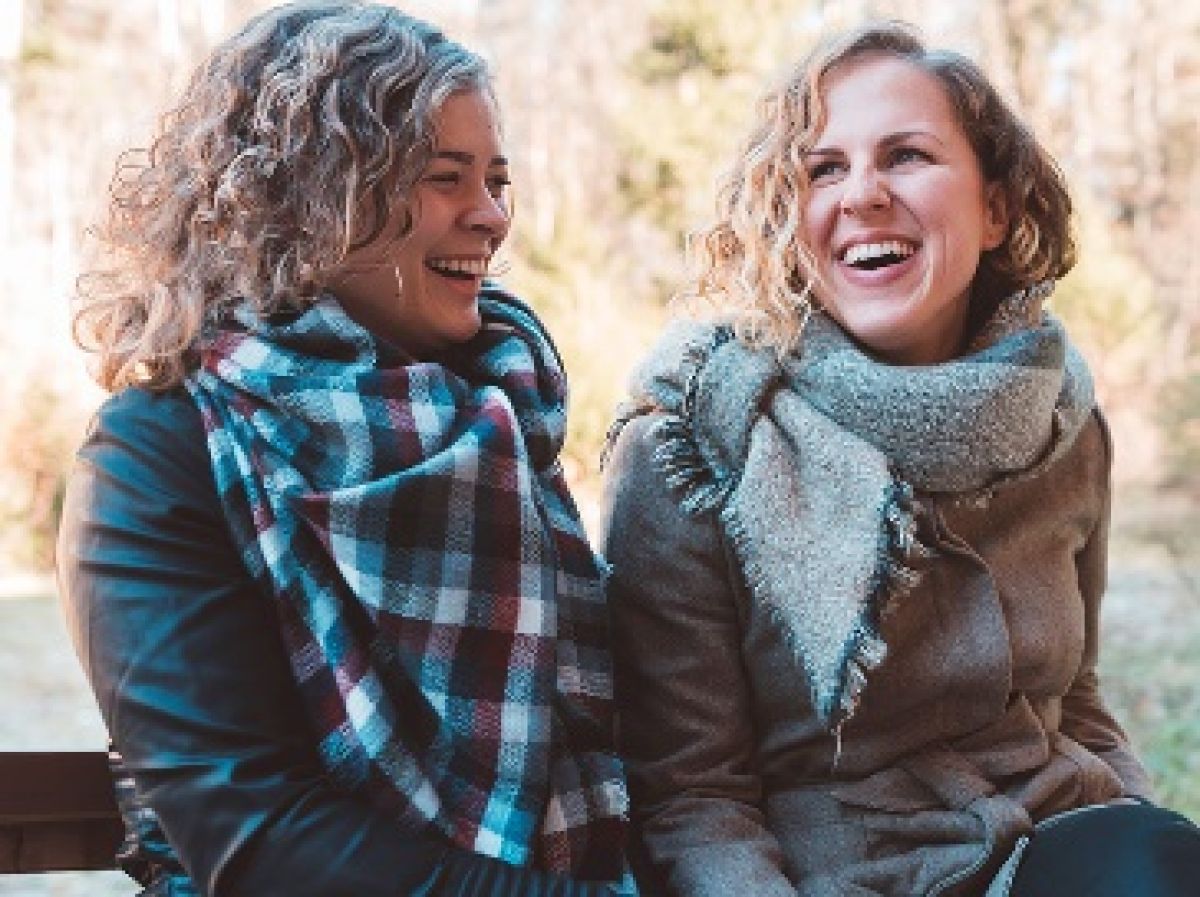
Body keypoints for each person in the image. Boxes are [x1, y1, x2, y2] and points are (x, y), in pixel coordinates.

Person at [600, 21, 1200, 897]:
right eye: (824, 169)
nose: (863, 195)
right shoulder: (694, 447)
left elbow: (1077, 698)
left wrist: (1147, 831)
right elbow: (694, 798)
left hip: (1058, 850)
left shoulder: (1063, 420)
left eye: (907, 155)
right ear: (786, 214)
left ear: (996, 208)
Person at [57, 3, 631, 895]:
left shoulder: (502, 418)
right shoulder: (156, 453)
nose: (491, 217)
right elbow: (257, 838)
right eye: (448, 177)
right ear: (321, 195)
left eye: (497, 180)